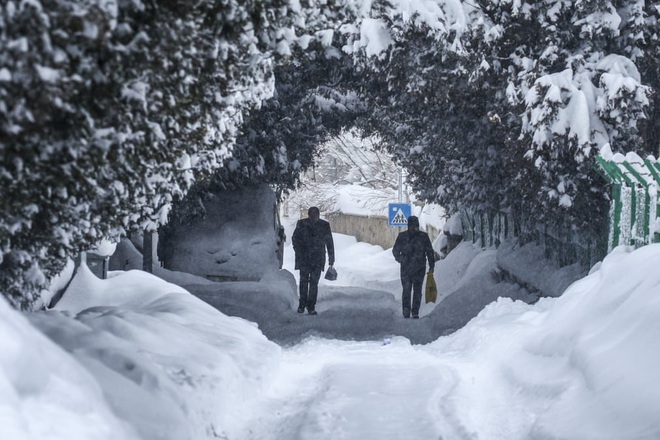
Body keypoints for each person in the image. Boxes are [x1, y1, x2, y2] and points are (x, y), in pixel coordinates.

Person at [292, 207, 335, 315]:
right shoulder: (302, 224)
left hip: (317, 259)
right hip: (304, 258)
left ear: (319, 215)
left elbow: (329, 243)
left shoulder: (324, 225)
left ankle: (311, 306)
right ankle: (302, 305)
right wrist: (298, 250)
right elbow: (295, 239)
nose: (314, 217)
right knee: (303, 282)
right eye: (312, 215)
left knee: (313, 283)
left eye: (316, 215)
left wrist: (331, 259)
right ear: (309, 215)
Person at [392, 215, 435, 319]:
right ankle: (406, 310)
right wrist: (401, 259)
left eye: (416, 226)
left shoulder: (423, 237)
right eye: (413, 226)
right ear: (409, 226)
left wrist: (431, 265)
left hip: (419, 269)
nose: (415, 228)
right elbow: (395, 251)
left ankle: (415, 311)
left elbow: (430, 252)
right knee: (406, 290)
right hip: (406, 269)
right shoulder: (402, 237)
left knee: (417, 290)